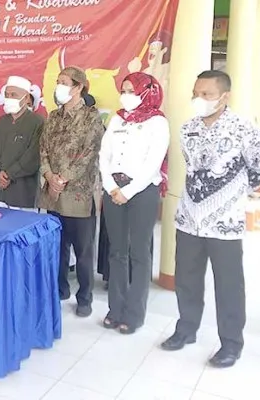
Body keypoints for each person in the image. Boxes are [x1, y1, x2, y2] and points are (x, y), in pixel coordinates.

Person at [161, 70, 260, 368]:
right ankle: (186, 329)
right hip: (189, 218)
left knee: (229, 285)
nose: (199, 99)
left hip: (225, 224)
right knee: (187, 279)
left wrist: (229, 198)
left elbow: (259, 172)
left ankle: (231, 343)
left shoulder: (245, 129)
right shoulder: (188, 128)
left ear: (224, 96)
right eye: (196, 93)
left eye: (206, 94)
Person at [99, 72, 169, 334]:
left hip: (142, 191)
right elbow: (104, 154)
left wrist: (128, 191)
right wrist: (110, 186)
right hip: (113, 188)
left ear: (146, 91)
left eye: (131, 90)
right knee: (117, 252)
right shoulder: (117, 118)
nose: (125, 95)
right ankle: (115, 308)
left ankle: (135, 313)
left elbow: (154, 161)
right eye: (124, 89)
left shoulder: (158, 122)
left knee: (139, 253)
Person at [38, 66, 103, 317]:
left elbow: (89, 154)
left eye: (64, 82)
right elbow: (43, 150)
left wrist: (64, 178)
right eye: (58, 81)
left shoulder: (91, 117)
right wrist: (49, 176)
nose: (59, 86)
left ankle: (84, 297)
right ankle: (59, 288)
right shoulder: (53, 117)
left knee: (83, 249)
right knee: (57, 245)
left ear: (79, 87)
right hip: (52, 193)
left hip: (78, 192)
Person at [0, 76, 44, 211]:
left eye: (14, 95)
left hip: (23, 191)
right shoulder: (2, 121)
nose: (9, 98)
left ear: (26, 98)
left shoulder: (37, 122)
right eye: (7, 95)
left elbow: (33, 156)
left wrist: (9, 175)